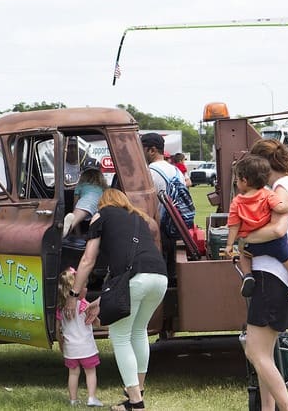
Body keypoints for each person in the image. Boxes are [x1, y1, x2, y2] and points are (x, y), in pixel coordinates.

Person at [64, 188, 168, 411]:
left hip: (136, 279)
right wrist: (102, 300)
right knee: (139, 331)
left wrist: (74, 294)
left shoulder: (101, 216)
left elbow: (88, 260)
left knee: (120, 336)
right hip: (159, 277)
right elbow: (128, 266)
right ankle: (138, 391)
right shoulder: (139, 218)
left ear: (103, 203)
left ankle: (135, 403)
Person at [242, 139, 288, 411]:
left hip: (272, 276)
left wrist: (243, 239)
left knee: (255, 352)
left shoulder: (281, 189)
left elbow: (278, 230)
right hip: (284, 278)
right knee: (265, 355)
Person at [225, 155, 288, 317]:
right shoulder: (267, 194)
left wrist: (229, 245)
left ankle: (248, 276)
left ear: (244, 180)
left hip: (252, 245)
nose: (236, 182)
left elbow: (233, 226)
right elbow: (280, 208)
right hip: (275, 243)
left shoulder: (237, 202)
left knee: (243, 254)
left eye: (236, 179)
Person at [141, 132, 188, 282]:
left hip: (157, 230)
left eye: (142, 149)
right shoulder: (176, 171)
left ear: (152, 150)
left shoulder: (150, 173)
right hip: (175, 228)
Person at [55, 268, 103, 407]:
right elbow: (97, 323)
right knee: (90, 372)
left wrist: (61, 343)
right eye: (84, 286)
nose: (87, 289)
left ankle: (73, 400)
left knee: (73, 374)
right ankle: (92, 398)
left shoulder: (61, 309)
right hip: (86, 347)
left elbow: (58, 329)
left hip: (70, 349)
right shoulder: (83, 305)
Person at [63, 166, 107, 237]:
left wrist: (78, 235)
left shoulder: (80, 185)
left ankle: (66, 232)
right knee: (98, 224)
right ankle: (94, 237)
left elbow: (75, 203)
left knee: (73, 220)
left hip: (85, 202)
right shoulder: (103, 187)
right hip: (99, 204)